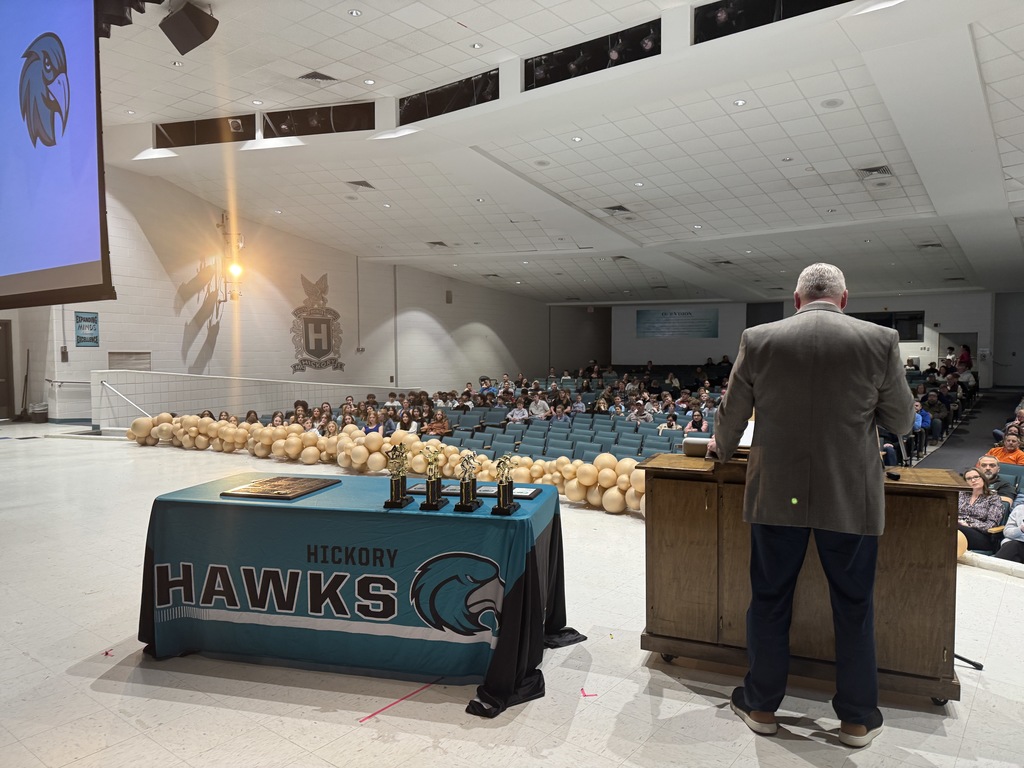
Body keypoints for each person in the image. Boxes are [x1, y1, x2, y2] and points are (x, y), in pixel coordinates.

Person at [707, 263, 913, 748]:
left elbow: (732, 414)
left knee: (770, 600)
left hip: (778, 495)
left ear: (796, 299)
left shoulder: (759, 338)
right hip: (851, 499)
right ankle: (858, 719)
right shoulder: (879, 340)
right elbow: (902, 421)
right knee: (854, 606)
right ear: (844, 299)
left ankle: (760, 706)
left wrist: (722, 445)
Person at [958, 467, 1003, 551]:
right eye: (969, 478)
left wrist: (969, 524)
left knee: (954, 528)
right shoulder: (961, 495)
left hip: (982, 536)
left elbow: (991, 525)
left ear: (983, 478)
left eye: (976, 477)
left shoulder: (993, 498)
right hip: (958, 530)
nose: (973, 480)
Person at [993, 492, 1024, 563]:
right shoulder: (1019, 509)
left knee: (1013, 548)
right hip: (1013, 544)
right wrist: (1020, 529)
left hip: (1015, 546)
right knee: (1014, 556)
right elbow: (1007, 532)